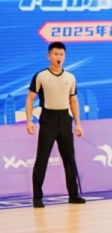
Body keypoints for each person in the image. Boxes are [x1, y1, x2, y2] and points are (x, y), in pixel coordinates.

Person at [25, 42, 86, 208]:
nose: (59, 57)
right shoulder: (41, 76)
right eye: (56, 54)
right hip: (48, 119)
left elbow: (73, 100)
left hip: (65, 119)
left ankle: (73, 195)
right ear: (49, 56)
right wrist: (29, 121)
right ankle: (37, 197)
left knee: (69, 159)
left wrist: (78, 124)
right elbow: (30, 99)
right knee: (42, 158)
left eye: (61, 54)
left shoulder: (70, 77)